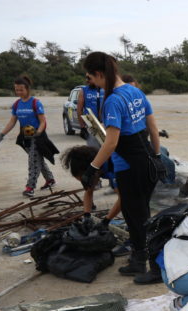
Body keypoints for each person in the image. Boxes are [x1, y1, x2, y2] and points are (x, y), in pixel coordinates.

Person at [81, 51, 165, 284]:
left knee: (137, 219)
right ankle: (139, 259)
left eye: (91, 77)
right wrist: (157, 156)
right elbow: (153, 127)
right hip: (148, 161)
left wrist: (92, 168)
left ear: (99, 74)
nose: (92, 83)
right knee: (140, 215)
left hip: (131, 167)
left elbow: (111, 141)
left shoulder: (113, 100)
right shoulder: (134, 91)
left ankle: (155, 267)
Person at [0, 75, 57, 197]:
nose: (18, 92)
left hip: (37, 135)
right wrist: (1, 135)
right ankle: (50, 180)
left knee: (33, 161)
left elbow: (43, 121)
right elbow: (12, 122)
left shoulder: (35, 103)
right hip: (25, 135)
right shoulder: (17, 104)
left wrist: (38, 133)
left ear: (27, 89)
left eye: (21, 89)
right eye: (16, 89)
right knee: (37, 159)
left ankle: (30, 187)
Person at [60, 145, 121, 227]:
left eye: (84, 181)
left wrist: (106, 221)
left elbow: (123, 200)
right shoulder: (97, 169)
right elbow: (88, 191)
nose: (86, 185)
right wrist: (87, 216)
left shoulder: (114, 166)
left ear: (91, 171)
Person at [77, 75, 102, 148]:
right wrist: (82, 126)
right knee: (94, 147)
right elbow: (79, 109)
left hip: (104, 122)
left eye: (89, 78)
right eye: (86, 78)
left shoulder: (103, 89)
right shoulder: (84, 90)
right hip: (91, 121)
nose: (87, 80)